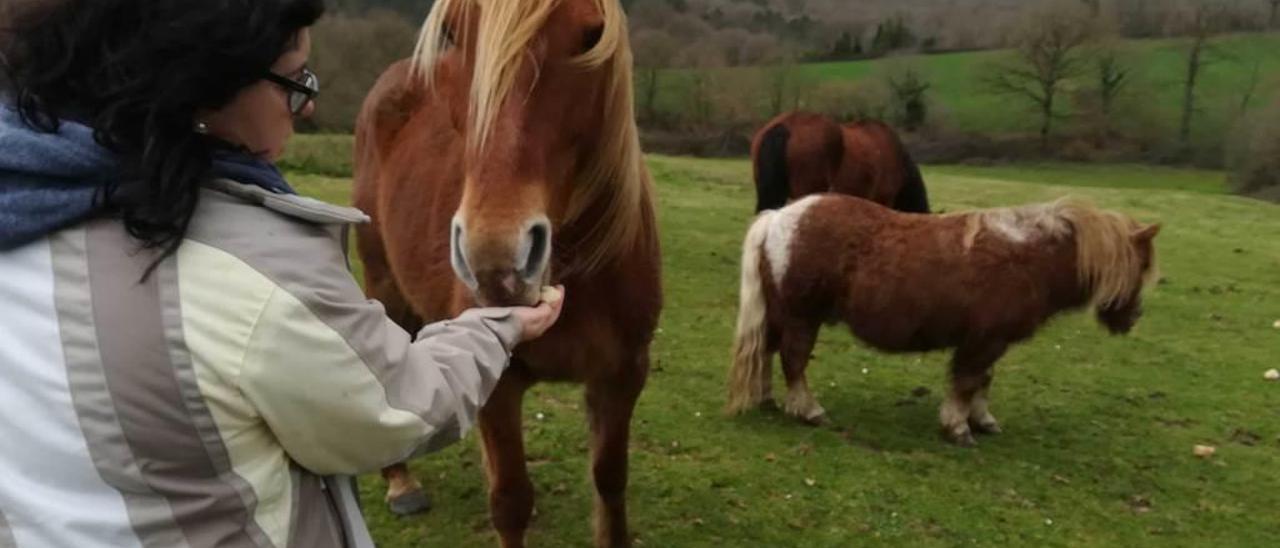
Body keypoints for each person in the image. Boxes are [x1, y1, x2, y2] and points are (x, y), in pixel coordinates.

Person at [0, 1, 563, 547]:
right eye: (292, 82)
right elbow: (399, 411)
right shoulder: (256, 271)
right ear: (196, 86)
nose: (308, 106)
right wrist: (491, 327)